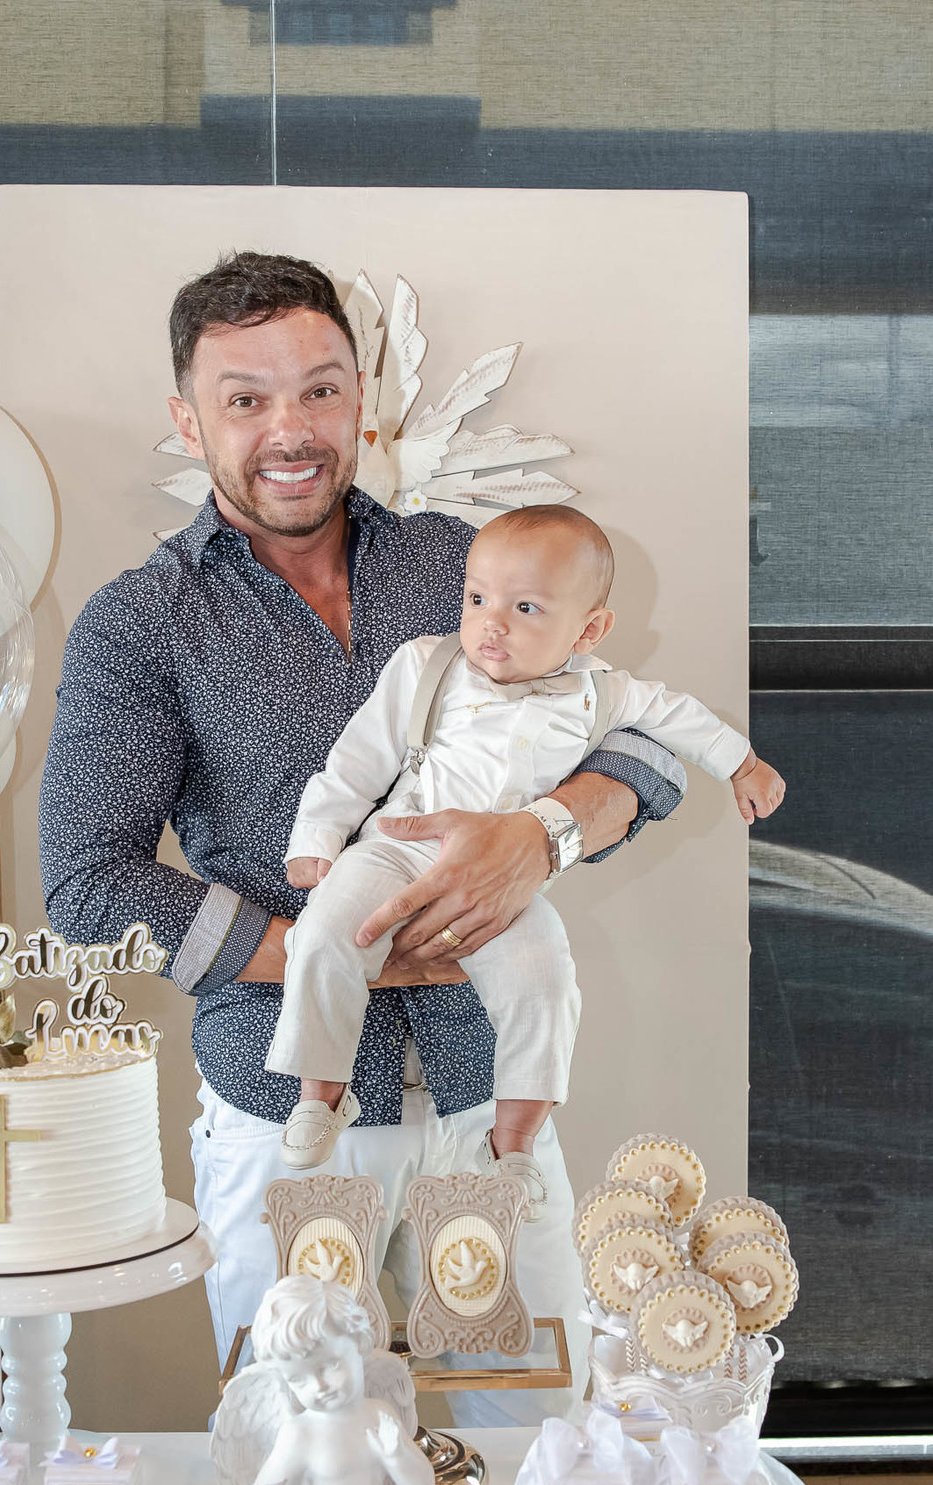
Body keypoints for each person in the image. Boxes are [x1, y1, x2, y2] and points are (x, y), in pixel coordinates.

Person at [40, 251, 687, 1420]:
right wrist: (334, 954)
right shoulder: (140, 623)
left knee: (525, 1443)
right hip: (295, 1128)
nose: (290, 430)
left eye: (320, 390)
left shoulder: (462, 565)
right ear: (188, 420)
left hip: (483, 1117)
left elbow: (642, 747)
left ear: (360, 400)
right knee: (307, 1453)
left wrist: (543, 836)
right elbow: (90, 886)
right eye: (246, 398)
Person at [269, 504, 785, 1181]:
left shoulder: (603, 693)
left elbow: (678, 722)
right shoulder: (427, 665)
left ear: (589, 630)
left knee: (547, 981)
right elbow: (356, 761)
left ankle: (513, 1142)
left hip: (508, 882)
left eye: (526, 608)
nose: (492, 623)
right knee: (325, 932)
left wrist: (743, 764)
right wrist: (318, 834)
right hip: (398, 846)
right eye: (477, 599)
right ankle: (320, 1097)